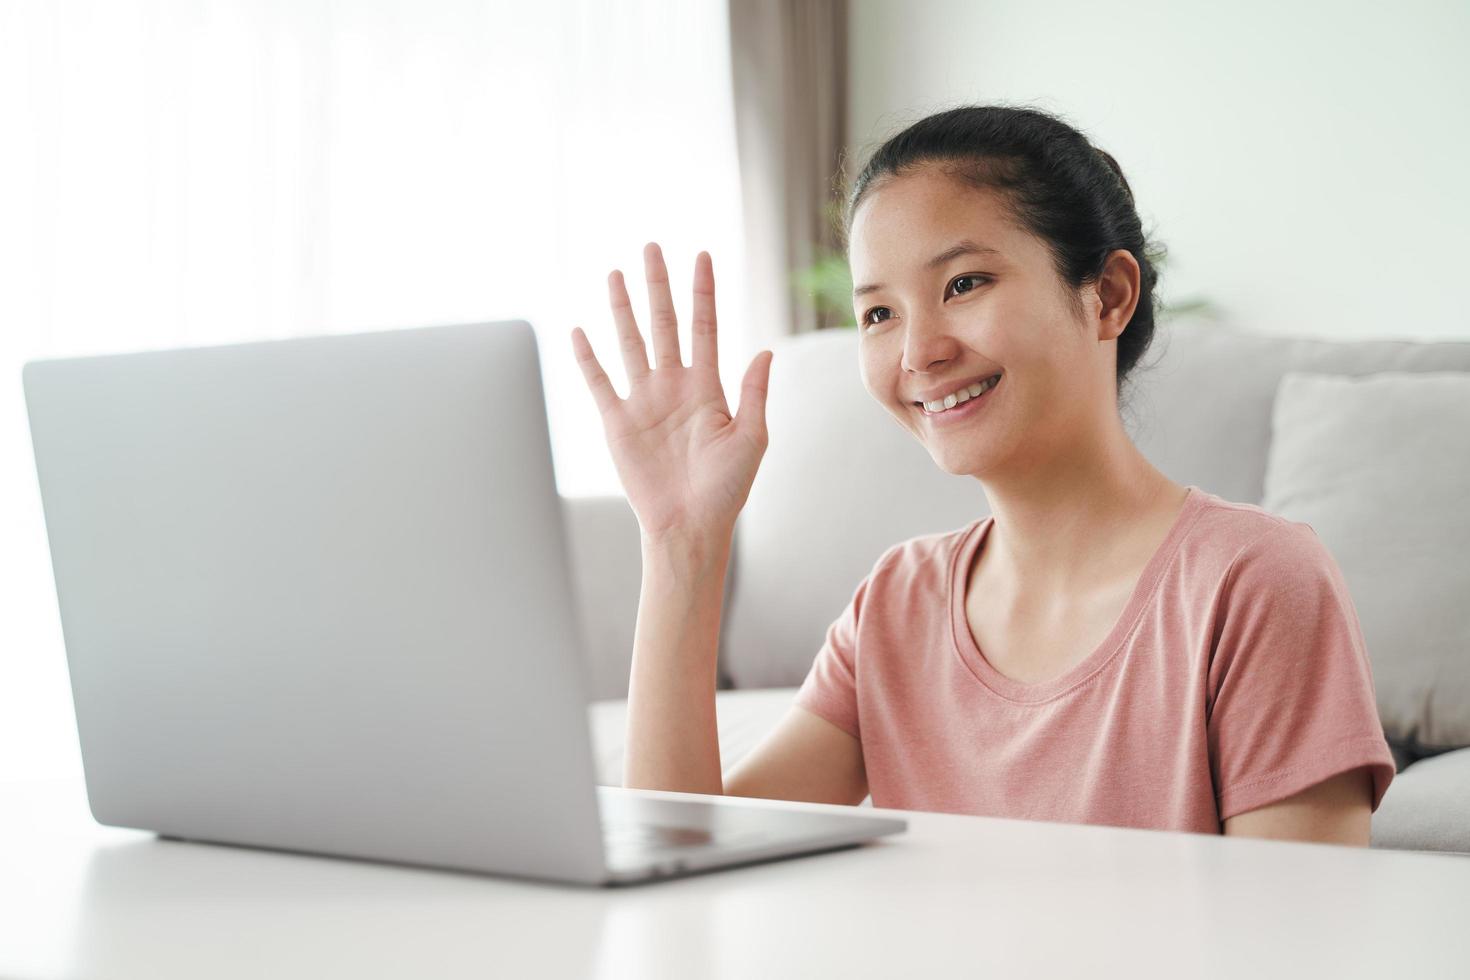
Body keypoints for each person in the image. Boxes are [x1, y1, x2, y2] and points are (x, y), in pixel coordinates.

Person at [569, 104, 1395, 845]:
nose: (918, 351)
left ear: (1107, 295)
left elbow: (1303, 942)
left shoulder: (1254, 583)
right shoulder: (898, 604)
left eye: (964, 284)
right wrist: (682, 541)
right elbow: (684, 854)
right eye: (878, 314)